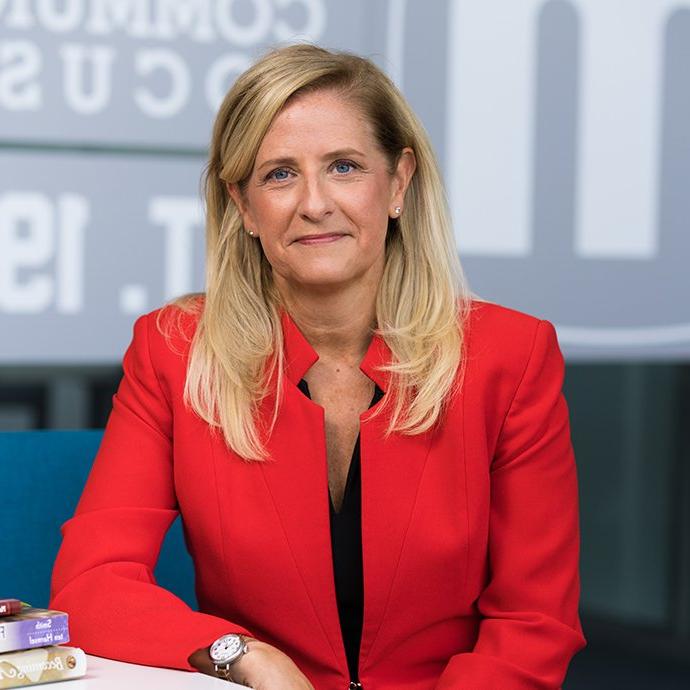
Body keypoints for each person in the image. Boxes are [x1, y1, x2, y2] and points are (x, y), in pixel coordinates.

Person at [50, 43, 586, 689]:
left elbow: (533, 621)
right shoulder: (174, 352)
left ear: (399, 182)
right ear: (244, 207)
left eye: (344, 166)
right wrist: (244, 655)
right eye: (279, 174)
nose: (314, 203)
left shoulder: (511, 357)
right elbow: (92, 584)